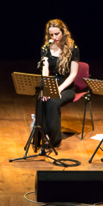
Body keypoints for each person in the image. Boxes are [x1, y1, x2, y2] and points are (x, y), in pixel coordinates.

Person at [35, 19, 80, 149]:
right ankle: (42, 137)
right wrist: (46, 89)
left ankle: (53, 139)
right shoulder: (46, 48)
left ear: (63, 32)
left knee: (53, 103)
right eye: (51, 35)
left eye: (57, 34)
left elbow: (73, 74)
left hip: (66, 87)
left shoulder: (73, 48)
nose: (54, 38)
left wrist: (58, 89)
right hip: (51, 84)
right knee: (40, 100)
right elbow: (45, 71)